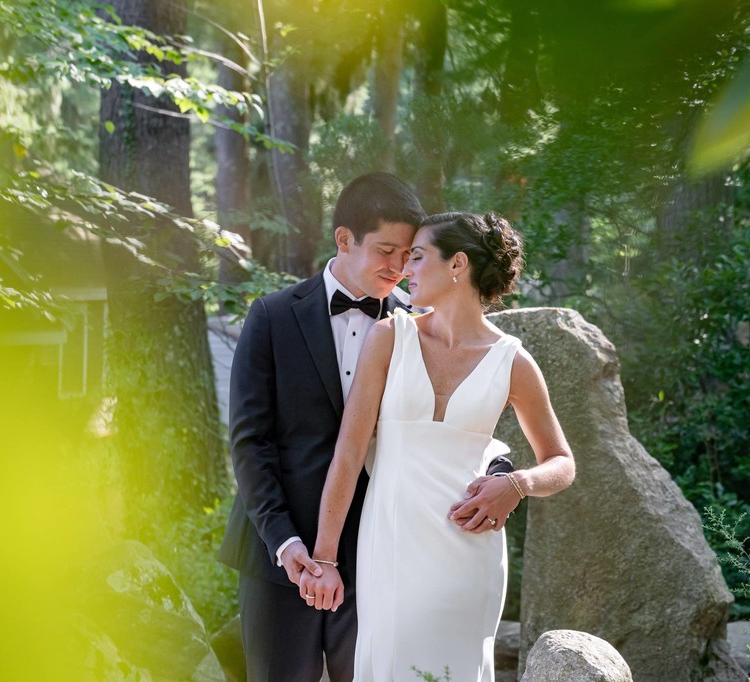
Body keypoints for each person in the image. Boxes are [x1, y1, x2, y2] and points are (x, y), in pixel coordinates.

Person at [217, 176, 513, 682]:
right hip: (277, 555)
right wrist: (288, 545)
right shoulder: (270, 316)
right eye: (386, 250)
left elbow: (454, 423)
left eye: (410, 254)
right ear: (344, 239)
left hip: (377, 557)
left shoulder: (417, 328)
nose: (399, 267)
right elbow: (250, 444)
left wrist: (501, 471)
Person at [301, 211, 576, 681]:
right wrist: (324, 558)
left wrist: (516, 484)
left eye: (419, 256)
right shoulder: (390, 336)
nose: (406, 269)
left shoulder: (513, 360)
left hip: (469, 550)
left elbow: (562, 462)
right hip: (390, 544)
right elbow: (348, 454)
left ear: (458, 265)